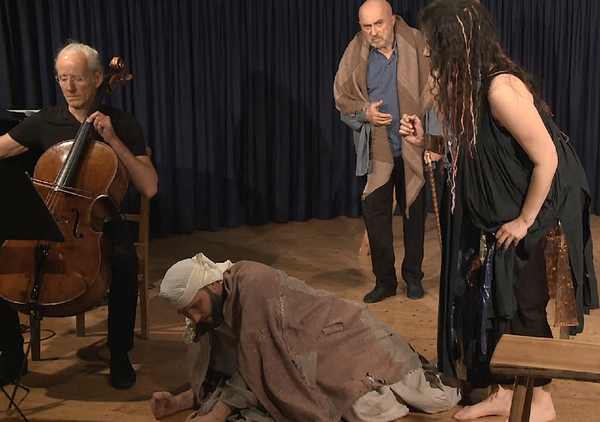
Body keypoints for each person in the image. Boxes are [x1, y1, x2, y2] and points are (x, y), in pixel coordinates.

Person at [399, 1, 598, 421]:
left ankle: (541, 401)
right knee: (497, 303)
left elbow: (548, 158)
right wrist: (427, 142)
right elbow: (476, 152)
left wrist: (525, 221)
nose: (428, 52)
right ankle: (507, 392)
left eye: (433, 43)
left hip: (540, 210)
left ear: (456, 41)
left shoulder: (499, 89)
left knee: (524, 304)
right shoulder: (470, 90)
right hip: (506, 212)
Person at [0, 41, 158, 389]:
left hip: (99, 220)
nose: (69, 87)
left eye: (78, 78)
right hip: (50, 216)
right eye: (62, 78)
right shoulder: (45, 120)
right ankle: (11, 352)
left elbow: (149, 186)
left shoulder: (122, 123)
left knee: (124, 260)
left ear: (99, 78)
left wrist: (113, 140)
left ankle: (119, 353)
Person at [151, 253, 461, 422]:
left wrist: (218, 414)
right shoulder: (215, 312)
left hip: (346, 337)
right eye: (186, 313)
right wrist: (181, 401)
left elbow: (258, 361)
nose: (195, 318)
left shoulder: (251, 284)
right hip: (304, 353)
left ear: (212, 285)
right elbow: (239, 365)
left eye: (195, 306)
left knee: (400, 404)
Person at [334, 0, 440, 303]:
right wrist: (365, 114)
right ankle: (385, 281)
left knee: (414, 217)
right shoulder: (355, 53)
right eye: (366, 26)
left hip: (413, 146)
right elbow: (343, 101)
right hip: (376, 151)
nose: (373, 32)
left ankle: (413, 277)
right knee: (376, 218)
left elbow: (436, 94)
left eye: (378, 24)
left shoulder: (417, 44)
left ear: (392, 20)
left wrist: (432, 141)